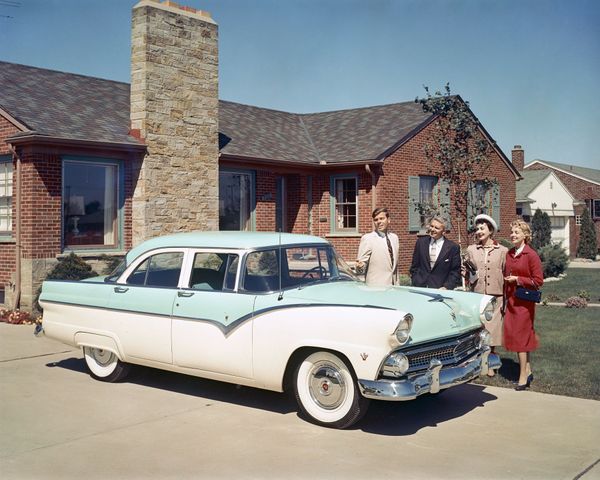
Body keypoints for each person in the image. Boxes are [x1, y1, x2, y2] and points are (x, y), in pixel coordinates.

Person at [463, 214, 508, 376]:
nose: (478, 231)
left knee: (492, 330)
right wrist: (466, 272)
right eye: (477, 229)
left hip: (496, 296)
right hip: (477, 296)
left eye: (482, 228)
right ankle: (478, 360)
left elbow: (505, 272)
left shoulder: (502, 251)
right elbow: (467, 273)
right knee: (479, 328)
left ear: (490, 230)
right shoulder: (471, 249)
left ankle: (490, 362)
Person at [503, 219, 544, 391]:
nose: (513, 235)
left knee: (521, 338)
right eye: (512, 232)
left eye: (516, 232)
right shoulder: (510, 253)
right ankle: (527, 370)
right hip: (512, 301)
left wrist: (518, 279)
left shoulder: (531, 255)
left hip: (524, 303)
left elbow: (538, 281)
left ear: (525, 236)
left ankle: (522, 377)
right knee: (519, 336)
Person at [410, 216, 461, 289]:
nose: (432, 229)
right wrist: (415, 280)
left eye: (436, 228)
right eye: (431, 226)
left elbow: (455, 271)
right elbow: (414, 266)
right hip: (420, 287)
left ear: (443, 232)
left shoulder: (453, 248)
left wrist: (447, 287)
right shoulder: (421, 243)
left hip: (440, 290)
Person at [356, 207, 399, 287]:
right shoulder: (368, 239)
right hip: (376, 289)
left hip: (394, 288)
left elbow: (394, 267)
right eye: (376, 220)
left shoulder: (394, 238)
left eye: (382, 218)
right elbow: (360, 269)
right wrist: (360, 267)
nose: (379, 222)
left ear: (388, 220)